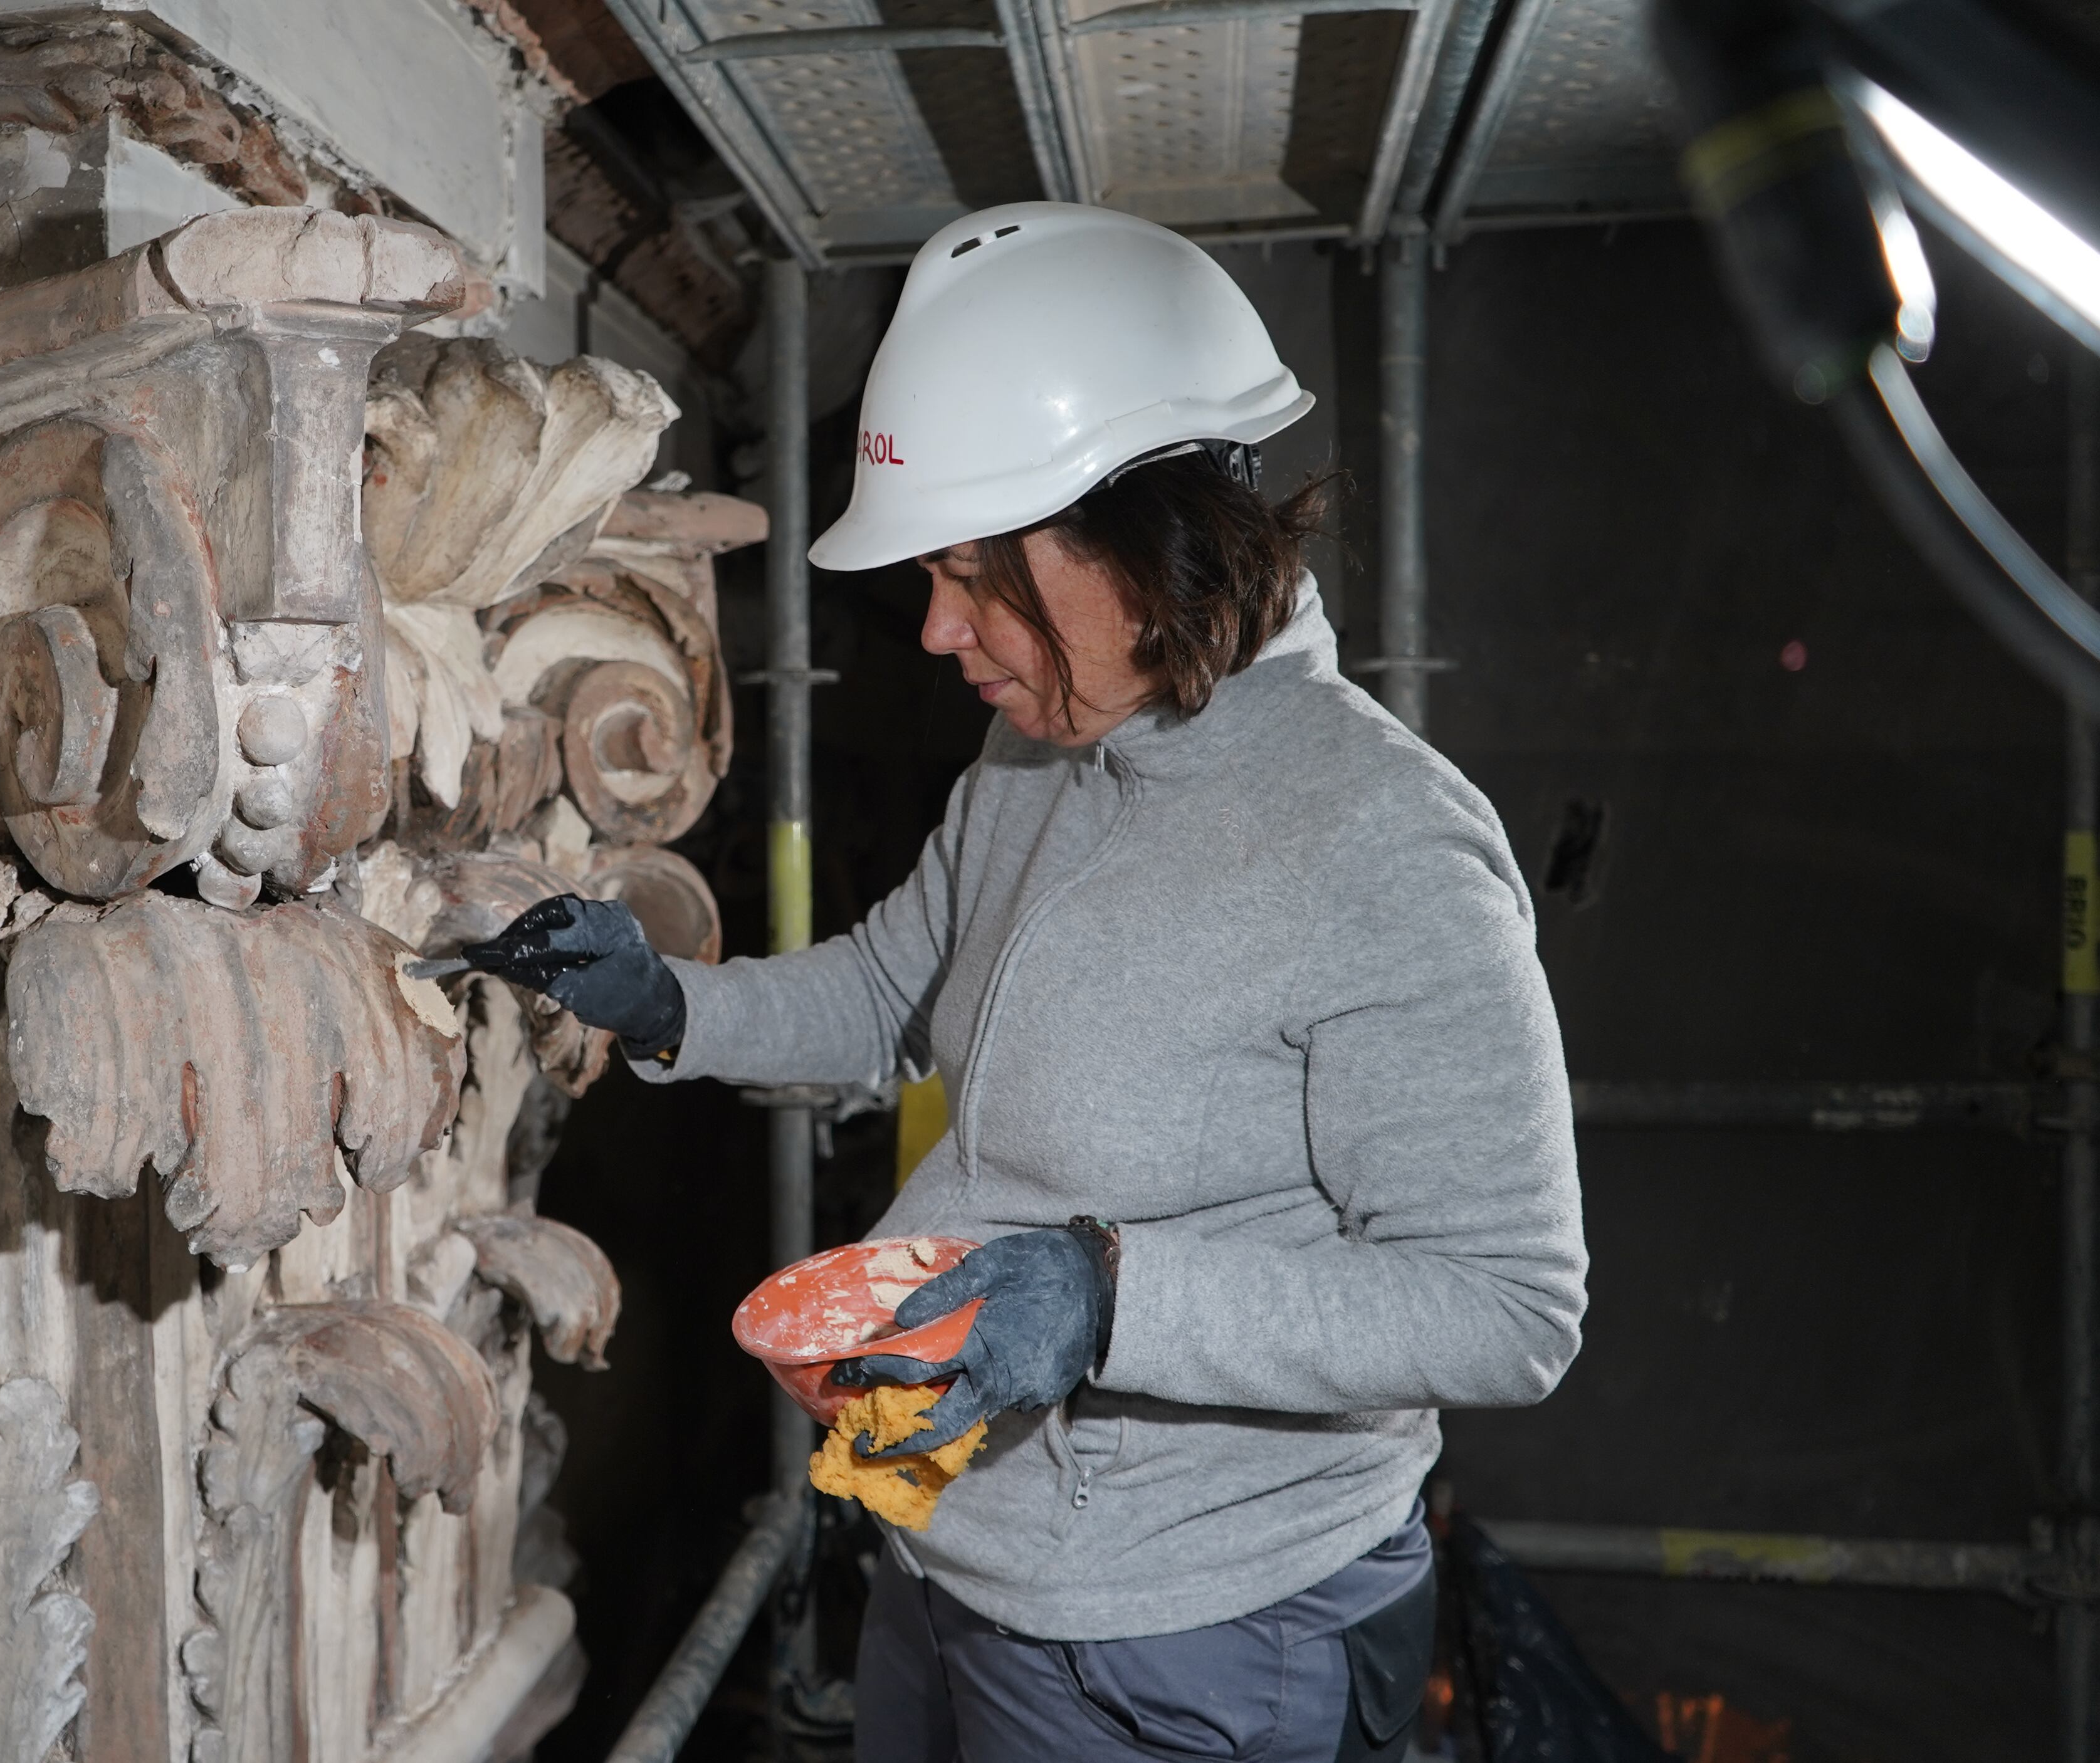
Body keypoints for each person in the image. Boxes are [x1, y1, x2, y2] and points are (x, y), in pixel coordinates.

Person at [456, 202, 1587, 1763]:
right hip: (957, 1556)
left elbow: (1503, 1311)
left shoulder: (1379, 843)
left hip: (1196, 1633)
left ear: (1158, 534)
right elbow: (884, 992)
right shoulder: (1034, 756)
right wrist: (673, 1006)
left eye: (979, 577)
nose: (935, 630)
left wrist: (1110, 1297)